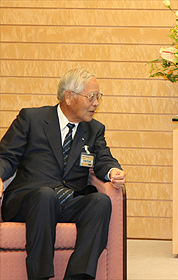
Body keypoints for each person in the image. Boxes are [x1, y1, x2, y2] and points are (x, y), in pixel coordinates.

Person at [0, 68, 126, 280]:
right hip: (28, 199)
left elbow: (103, 158)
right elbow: (6, 155)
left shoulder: (94, 129)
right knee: (45, 196)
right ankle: (39, 276)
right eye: (91, 97)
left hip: (67, 199)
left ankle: (77, 276)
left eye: (98, 97)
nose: (96, 103)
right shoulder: (32, 118)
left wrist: (113, 171)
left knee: (100, 202)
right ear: (69, 96)